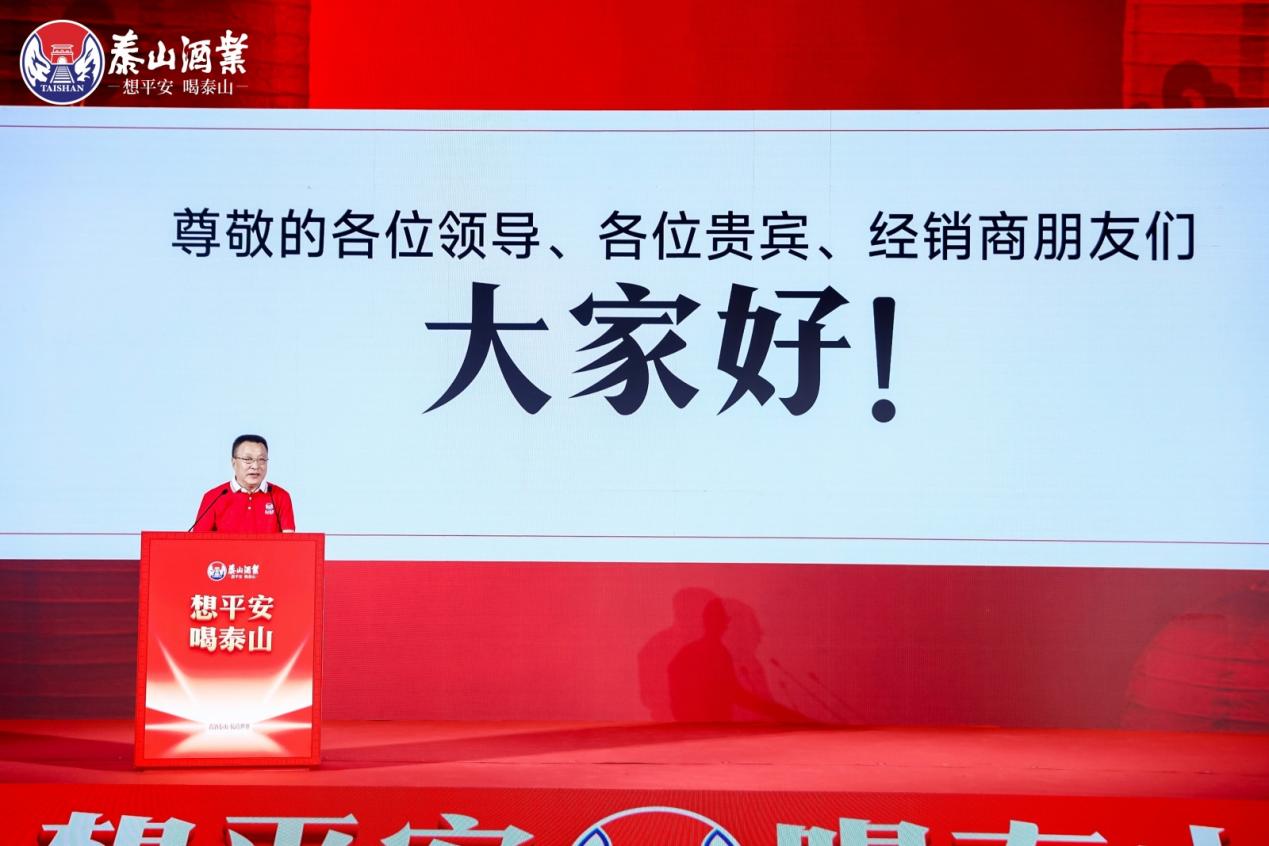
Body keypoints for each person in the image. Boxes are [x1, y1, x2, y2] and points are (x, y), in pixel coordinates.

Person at [192, 434, 295, 532]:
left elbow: (289, 541)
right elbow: (198, 542)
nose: (255, 466)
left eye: (261, 459)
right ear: (233, 462)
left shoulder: (281, 496)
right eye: (247, 459)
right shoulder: (213, 497)